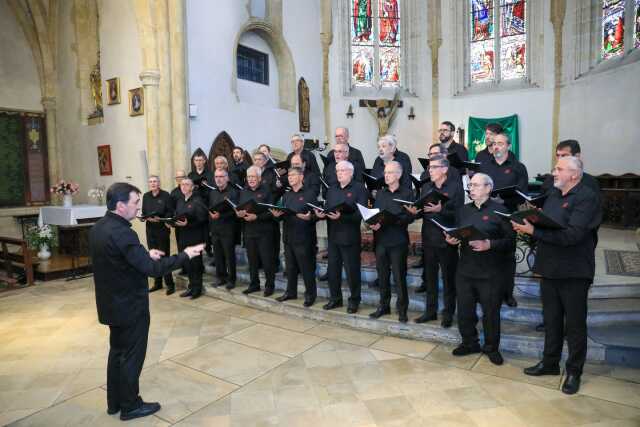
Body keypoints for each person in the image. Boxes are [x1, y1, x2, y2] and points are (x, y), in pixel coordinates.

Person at [90, 182, 204, 421]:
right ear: (120, 206)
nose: (138, 207)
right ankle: (130, 406)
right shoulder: (123, 232)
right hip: (130, 305)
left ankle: (115, 403)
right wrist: (185, 255)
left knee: (117, 353)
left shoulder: (100, 227)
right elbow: (152, 270)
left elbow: (120, 259)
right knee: (132, 356)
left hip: (111, 303)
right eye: (134, 203)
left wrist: (144, 255)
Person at [514, 157, 601, 395]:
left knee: (574, 324)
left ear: (574, 175)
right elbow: (549, 227)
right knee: (551, 319)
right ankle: (550, 363)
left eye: (559, 169)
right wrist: (531, 222)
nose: (554, 172)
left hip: (574, 271)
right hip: (550, 268)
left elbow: (573, 236)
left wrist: (535, 230)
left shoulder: (586, 197)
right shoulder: (553, 194)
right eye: (555, 168)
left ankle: (574, 371)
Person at [446, 173, 515, 366]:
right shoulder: (463, 210)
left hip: (491, 271)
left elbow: (510, 242)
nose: (471, 188)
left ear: (488, 188)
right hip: (465, 269)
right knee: (465, 311)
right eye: (470, 185)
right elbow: (460, 233)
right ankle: (469, 342)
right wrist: (453, 239)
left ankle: (491, 348)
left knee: (491, 313)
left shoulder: (500, 211)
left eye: (476, 185)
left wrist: (489, 244)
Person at [409, 155, 464, 327]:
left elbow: (459, 214)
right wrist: (414, 212)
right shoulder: (426, 187)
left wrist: (442, 209)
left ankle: (448, 313)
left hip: (447, 240)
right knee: (430, 279)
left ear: (444, 169)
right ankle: (430, 312)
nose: (429, 171)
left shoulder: (455, 187)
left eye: (433, 168)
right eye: (429, 168)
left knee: (449, 279)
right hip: (428, 239)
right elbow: (423, 211)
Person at [480, 132, 528, 308]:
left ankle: (508, 293)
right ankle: (487, 290)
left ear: (508, 146)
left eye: (500, 143)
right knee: (488, 254)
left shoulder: (518, 167)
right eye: (493, 144)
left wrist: (504, 201)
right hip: (487, 216)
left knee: (507, 258)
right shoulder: (484, 166)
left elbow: (523, 196)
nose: (496, 146)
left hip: (508, 217)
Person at [314, 160, 368, 313]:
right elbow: (328, 209)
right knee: (333, 270)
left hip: (350, 236)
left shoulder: (359, 189)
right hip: (333, 236)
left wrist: (342, 217)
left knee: (352, 271)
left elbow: (360, 214)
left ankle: (354, 301)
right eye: (337, 171)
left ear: (351, 172)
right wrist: (321, 214)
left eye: (343, 170)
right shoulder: (332, 189)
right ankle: (335, 299)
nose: (339, 173)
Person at [368, 161, 414, 323]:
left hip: (398, 240)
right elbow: (376, 213)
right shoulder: (381, 193)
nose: (386, 176)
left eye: (389, 173)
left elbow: (408, 218)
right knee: (382, 275)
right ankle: (384, 306)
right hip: (381, 240)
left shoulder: (408, 194)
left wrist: (390, 220)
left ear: (399, 175)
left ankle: (402, 309)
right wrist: (373, 222)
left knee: (399, 276)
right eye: (385, 173)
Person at [270, 167, 319, 307]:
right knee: (290, 268)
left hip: (304, 238)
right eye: (289, 175)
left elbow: (317, 215)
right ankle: (291, 292)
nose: (290, 178)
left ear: (301, 177)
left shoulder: (310, 194)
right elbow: (282, 214)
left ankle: (310, 295)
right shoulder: (286, 195)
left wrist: (310, 217)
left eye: (293, 175)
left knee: (306, 269)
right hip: (288, 237)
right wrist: (276, 216)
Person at [236, 165, 277, 296]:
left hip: (265, 232)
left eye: (253, 176)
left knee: (267, 261)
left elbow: (272, 212)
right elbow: (239, 208)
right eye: (249, 177)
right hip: (248, 232)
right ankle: (254, 284)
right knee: (252, 260)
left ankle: (269, 286)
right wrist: (239, 214)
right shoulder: (243, 191)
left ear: (259, 178)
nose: (251, 179)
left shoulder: (267, 191)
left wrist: (257, 216)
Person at [173, 178, 208, 299]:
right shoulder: (180, 200)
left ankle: (197, 289)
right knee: (187, 264)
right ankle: (191, 287)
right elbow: (177, 215)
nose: (184, 187)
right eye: (182, 184)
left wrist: (188, 224)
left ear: (192, 187)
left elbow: (203, 219)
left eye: (187, 184)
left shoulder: (198, 201)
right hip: (183, 236)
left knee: (195, 264)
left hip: (195, 237)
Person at [140, 175, 175, 295]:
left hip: (162, 230)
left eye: (155, 181)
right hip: (150, 230)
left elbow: (170, 211)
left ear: (159, 183)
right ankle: (158, 283)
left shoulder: (166, 195)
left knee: (164, 257)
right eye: (150, 182)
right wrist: (147, 218)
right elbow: (144, 212)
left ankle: (170, 284)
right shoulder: (146, 196)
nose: (153, 183)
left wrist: (161, 219)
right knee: (154, 257)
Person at [208, 168, 239, 290]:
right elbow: (211, 209)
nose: (219, 179)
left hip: (228, 229)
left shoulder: (233, 192)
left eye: (221, 176)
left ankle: (232, 279)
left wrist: (221, 215)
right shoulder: (213, 193)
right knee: (218, 255)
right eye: (216, 177)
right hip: (215, 229)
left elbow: (236, 212)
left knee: (229, 255)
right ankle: (221, 277)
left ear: (227, 178)